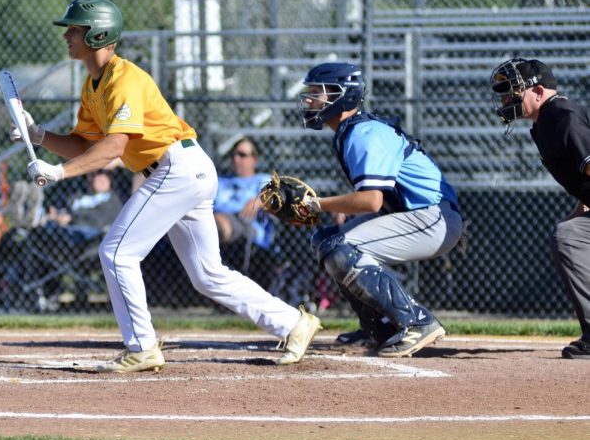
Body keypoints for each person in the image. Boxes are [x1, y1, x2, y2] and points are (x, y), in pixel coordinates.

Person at [12, 0, 320, 372]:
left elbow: (115, 146)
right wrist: (39, 134)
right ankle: (293, 322)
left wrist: (59, 172)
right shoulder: (93, 86)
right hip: (183, 169)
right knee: (207, 274)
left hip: (176, 168)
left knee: (116, 253)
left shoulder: (125, 79)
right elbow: (85, 143)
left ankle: (141, 346)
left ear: (99, 34)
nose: (68, 36)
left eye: (75, 30)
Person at [297, 62, 463, 357]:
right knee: (325, 240)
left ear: (342, 95)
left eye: (317, 93)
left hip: (431, 216)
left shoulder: (363, 132)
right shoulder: (354, 130)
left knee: (341, 249)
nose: (310, 100)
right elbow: (375, 200)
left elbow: (371, 200)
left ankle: (416, 320)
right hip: (418, 216)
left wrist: (318, 203)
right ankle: (381, 327)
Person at [490, 58, 590, 360]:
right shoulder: (548, 120)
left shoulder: (561, 116)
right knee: (571, 233)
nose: (507, 99)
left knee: (569, 237)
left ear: (538, 90)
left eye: (513, 91)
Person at [213, 137, 274, 250]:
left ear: (254, 159)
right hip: (216, 219)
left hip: (246, 224)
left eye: (242, 155)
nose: (236, 159)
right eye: (233, 155)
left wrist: (260, 200)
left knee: (215, 223)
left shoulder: (262, 180)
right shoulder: (220, 180)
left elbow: (278, 195)